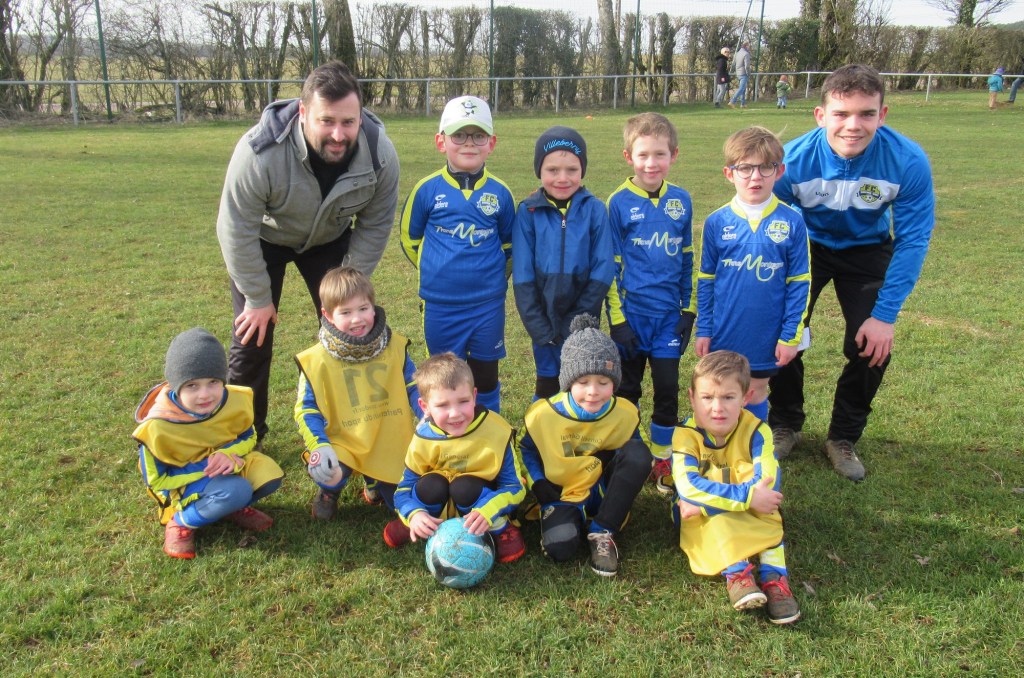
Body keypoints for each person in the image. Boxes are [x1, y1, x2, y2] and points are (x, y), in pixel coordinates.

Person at [217, 60, 400, 442]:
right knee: (252, 337)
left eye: (348, 122)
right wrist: (257, 298)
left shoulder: (380, 153)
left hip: (329, 239)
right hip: (266, 240)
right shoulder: (259, 152)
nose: (338, 134)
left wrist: (349, 287)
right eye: (326, 121)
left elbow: (376, 223)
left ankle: (350, 432)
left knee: (349, 332)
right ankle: (243, 437)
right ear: (303, 113)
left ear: (361, 115)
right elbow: (236, 227)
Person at [770, 64, 935, 481]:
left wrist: (885, 315)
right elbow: (771, 228)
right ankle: (784, 422)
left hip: (867, 250)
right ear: (821, 115)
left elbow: (913, 240)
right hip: (807, 248)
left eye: (866, 114)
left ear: (883, 114)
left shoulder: (908, 160)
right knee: (780, 328)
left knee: (871, 344)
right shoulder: (791, 160)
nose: (853, 125)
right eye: (841, 114)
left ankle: (843, 436)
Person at [399, 95, 514, 413]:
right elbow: (409, 240)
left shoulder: (500, 193)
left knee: (485, 379)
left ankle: (489, 432)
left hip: (487, 305)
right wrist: (437, 272)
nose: (469, 143)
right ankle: (446, 435)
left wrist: (490, 281)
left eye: (478, 136)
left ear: (491, 143)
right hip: (441, 306)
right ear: (441, 142)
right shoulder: (426, 190)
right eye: (459, 135)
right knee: (446, 381)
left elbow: (509, 247)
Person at [670, 351, 800, 625]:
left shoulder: (758, 431)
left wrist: (717, 501)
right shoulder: (684, 435)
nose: (717, 408)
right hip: (705, 513)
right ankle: (737, 573)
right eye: (707, 398)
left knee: (766, 502)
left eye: (728, 397)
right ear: (692, 397)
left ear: (745, 398)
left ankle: (774, 577)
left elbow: (767, 481)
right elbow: (688, 487)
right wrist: (746, 497)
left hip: (728, 504)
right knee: (709, 509)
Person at [294, 267, 421, 547]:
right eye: (345, 312)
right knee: (330, 471)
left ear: (373, 306)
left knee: (404, 502)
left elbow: (414, 387)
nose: (357, 319)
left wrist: (428, 417)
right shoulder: (316, 359)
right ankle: (330, 491)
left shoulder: (395, 346)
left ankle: (375, 483)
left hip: (388, 439)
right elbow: (306, 410)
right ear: (327, 315)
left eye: (363, 308)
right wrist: (319, 445)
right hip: (344, 443)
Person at [519, 315, 653, 577]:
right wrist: (538, 483)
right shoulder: (542, 414)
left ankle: (603, 529)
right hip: (562, 492)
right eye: (583, 382)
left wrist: (612, 460)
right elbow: (524, 450)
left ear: (614, 382)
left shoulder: (626, 412)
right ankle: (567, 518)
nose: (593, 391)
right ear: (569, 381)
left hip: (603, 491)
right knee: (560, 549)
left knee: (638, 454)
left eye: (603, 382)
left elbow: (641, 456)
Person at [694, 126, 810, 427]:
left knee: (755, 390)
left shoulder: (792, 222)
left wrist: (790, 336)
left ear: (779, 171)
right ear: (729, 173)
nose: (755, 177)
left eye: (765, 167)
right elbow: (706, 281)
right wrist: (704, 329)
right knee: (720, 389)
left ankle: (753, 446)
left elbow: (799, 284)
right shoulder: (716, 222)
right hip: (726, 329)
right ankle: (719, 445)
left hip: (765, 332)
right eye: (745, 168)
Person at [133, 328, 284, 559]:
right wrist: (207, 469)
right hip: (182, 485)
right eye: (192, 386)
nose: (205, 394)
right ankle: (180, 522)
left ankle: (228, 507)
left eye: (213, 382)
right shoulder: (157, 427)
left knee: (269, 474)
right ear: (175, 386)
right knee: (238, 489)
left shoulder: (233, 400)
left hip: (227, 468)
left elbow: (249, 436)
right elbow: (156, 480)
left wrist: (227, 454)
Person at [605, 112, 694, 490]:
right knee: (627, 390)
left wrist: (688, 310)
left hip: (667, 320)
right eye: (643, 155)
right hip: (632, 317)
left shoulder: (681, 200)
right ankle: (628, 452)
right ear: (629, 157)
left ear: (674, 155)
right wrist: (618, 320)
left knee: (668, 389)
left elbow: (687, 258)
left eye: (660, 154)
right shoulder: (618, 202)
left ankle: (662, 459)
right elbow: (610, 266)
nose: (651, 163)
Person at [513, 126, 615, 400]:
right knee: (547, 383)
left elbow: (603, 268)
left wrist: (577, 319)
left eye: (572, 169)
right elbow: (522, 276)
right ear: (539, 170)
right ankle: (540, 428)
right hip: (544, 320)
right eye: (552, 170)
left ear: (583, 170)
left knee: (581, 383)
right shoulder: (528, 211)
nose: (562, 178)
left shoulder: (594, 209)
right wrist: (539, 327)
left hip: (583, 319)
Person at [394, 353, 526, 563]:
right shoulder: (423, 437)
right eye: (442, 405)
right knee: (430, 485)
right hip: (436, 503)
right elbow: (402, 490)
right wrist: (413, 513)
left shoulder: (496, 431)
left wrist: (489, 511)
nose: (455, 413)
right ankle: (416, 523)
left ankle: (499, 528)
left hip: (480, 505)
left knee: (464, 487)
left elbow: (515, 487)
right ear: (424, 406)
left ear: (474, 396)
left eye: (463, 401)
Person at [728, 41, 752, 108]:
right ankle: (732, 101)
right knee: (741, 88)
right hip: (743, 73)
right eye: (749, 46)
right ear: (746, 46)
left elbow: (734, 64)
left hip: (738, 73)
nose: (749, 48)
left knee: (743, 89)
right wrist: (748, 73)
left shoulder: (737, 53)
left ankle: (743, 103)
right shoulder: (746, 54)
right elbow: (747, 66)